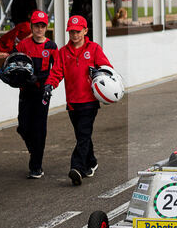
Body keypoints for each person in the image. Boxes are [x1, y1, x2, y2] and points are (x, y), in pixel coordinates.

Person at [44, 15, 113, 186]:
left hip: (90, 101)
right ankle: (91, 162)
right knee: (83, 135)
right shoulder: (63, 52)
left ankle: (77, 167)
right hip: (73, 102)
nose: (74, 35)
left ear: (85, 31)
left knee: (83, 134)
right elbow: (56, 72)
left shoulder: (94, 49)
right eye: (71, 32)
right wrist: (49, 86)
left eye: (78, 31)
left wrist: (99, 74)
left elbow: (106, 68)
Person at [12, 10, 58, 179]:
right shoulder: (23, 45)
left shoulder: (51, 46)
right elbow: (13, 63)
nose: (39, 29)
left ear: (46, 27)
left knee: (39, 129)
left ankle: (36, 166)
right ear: (31, 26)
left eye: (42, 26)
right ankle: (35, 151)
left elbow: (57, 69)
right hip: (26, 92)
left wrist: (48, 85)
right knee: (23, 127)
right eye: (36, 26)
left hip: (42, 93)